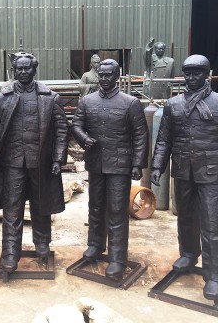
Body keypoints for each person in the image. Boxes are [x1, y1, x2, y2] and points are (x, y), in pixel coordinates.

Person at [0, 52, 68, 272]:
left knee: (41, 205)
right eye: (19, 69)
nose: (23, 72)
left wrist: (58, 158)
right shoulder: (3, 99)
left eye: (27, 68)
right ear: (14, 71)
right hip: (12, 163)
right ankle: (11, 252)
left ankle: (42, 243)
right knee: (12, 208)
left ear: (34, 69)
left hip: (40, 162)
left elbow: (62, 130)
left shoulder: (50, 97)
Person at [71, 59, 148, 281]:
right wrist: (83, 138)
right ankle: (95, 245)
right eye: (101, 75)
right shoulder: (87, 101)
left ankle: (117, 258)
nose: (104, 79)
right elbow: (76, 125)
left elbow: (141, 135)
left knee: (116, 210)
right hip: (96, 163)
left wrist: (137, 164)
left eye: (108, 75)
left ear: (117, 76)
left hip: (119, 165)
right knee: (95, 206)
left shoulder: (130, 103)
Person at [151, 54, 218, 301]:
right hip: (182, 169)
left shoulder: (216, 102)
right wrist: (157, 166)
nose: (191, 77)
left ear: (207, 74)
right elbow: (164, 139)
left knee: (211, 222)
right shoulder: (173, 104)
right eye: (187, 73)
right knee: (185, 217)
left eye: (196, 73)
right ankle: (189, 254)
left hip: (211, 170)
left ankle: (213, 274)